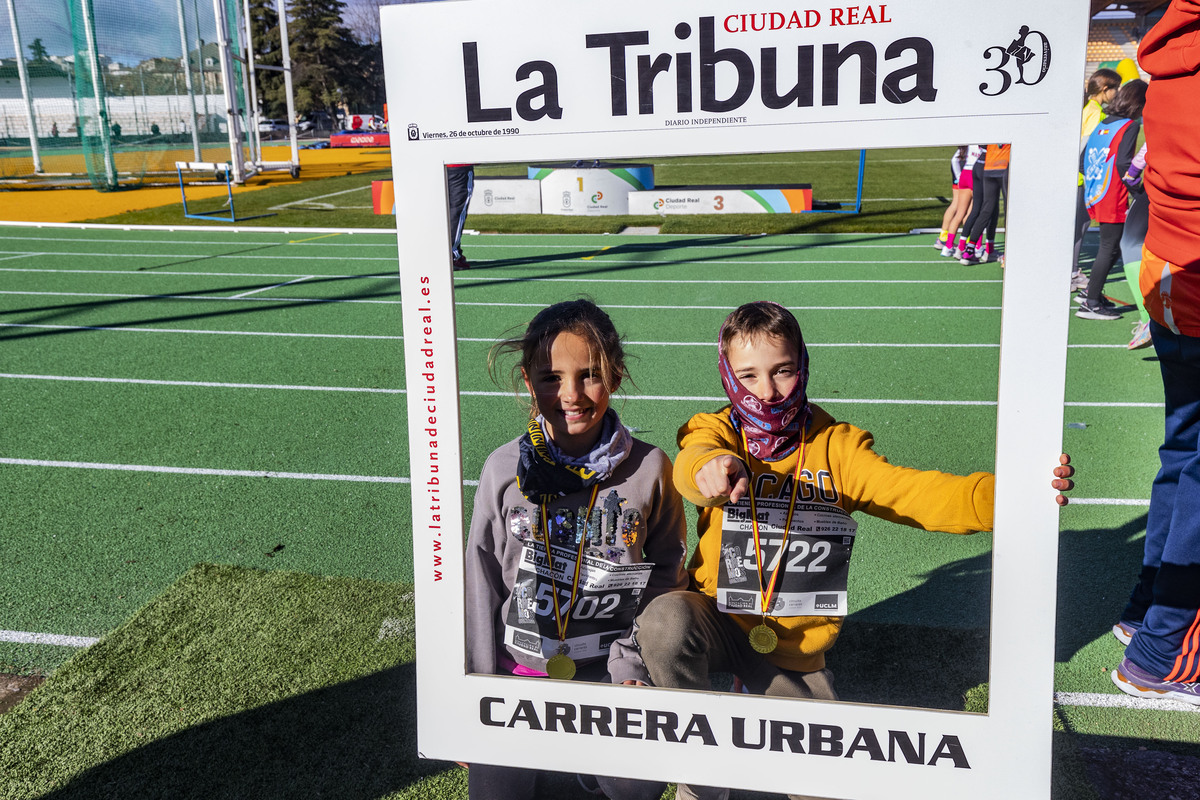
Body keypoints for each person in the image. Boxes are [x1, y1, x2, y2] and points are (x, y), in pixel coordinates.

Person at [632, 302, 1074, 800]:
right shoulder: (714, 430)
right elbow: (694, 459)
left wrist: (1015, 493)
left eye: (782, 371)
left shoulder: (837, 447)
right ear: (727, 376)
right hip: (717, 614)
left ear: (803, 364)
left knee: (822, 784)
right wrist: (710, 468)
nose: (768, 391)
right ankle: (702, 773)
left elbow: (916, 493)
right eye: (748, 376)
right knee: (665, 620)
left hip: (792, 646)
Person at [463, 299, 687, 798]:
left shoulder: (651, 469)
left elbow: (666, 576)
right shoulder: (502, 470)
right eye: (550, 378)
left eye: (590, 375)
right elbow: (479, 578)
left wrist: (634, 668)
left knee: (636, 789)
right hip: (520, 675)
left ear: (617, 374)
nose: (571, 395)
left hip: (611, 672)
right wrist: (474, 686)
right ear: (526, 381)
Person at [1110, 0, 1200, 707]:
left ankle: (1147, 615)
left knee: (1187, 452)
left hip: (1171, 278)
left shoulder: (1170, 50)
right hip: (1189, 275)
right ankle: (1166, 644)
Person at [1075, 79, 1148, 321]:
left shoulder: (1103, 122)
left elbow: (1083, 158)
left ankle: (1090, 291)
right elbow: (1124, 165)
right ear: (1138, 103)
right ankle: (1091, 303)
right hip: (1112, 194)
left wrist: (1097, 180)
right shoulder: (1129, 126)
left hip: (1096, 191)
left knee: (1113, 246)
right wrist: (1139, 190)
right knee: (1109, 247)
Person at [1072, 69, 1122, 291]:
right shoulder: (1094, 113)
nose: (1118, 93)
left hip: (1079, 178)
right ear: (1105, 89)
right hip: (1082, 180)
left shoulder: (1089, 109)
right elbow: (1084, 149)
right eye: (1115, 89)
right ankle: (1071, 274)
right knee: (1079, 227)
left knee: (1078, 226)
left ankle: (1070, 271)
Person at [1119, 143, 1153, 349]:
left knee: (1130, 243)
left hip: (1163, 180)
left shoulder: (1165, 113)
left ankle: (1147, 318)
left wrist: (1132, 173)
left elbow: (1148, 147)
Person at [958, 143, 1009, 265]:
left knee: (986, 209)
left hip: (989, 166)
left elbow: (982, 145)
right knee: (1008, 209)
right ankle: (1009, 252)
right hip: (1004, 166)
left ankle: (969, 250)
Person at [934, 145, 980, 257]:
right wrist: (958, 177)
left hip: (965, 174)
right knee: (974, 212)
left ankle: (948, 245)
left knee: (961, 212)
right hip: (971, 175)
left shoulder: (970, 145)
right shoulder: (981, 145)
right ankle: (977, 246)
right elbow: (955, 159)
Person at [447, 164, 474, 270]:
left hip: (438, 164)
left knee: (442, 210)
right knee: (457, 212)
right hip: (459, 166)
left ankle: (447, 252)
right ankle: (452, 256)